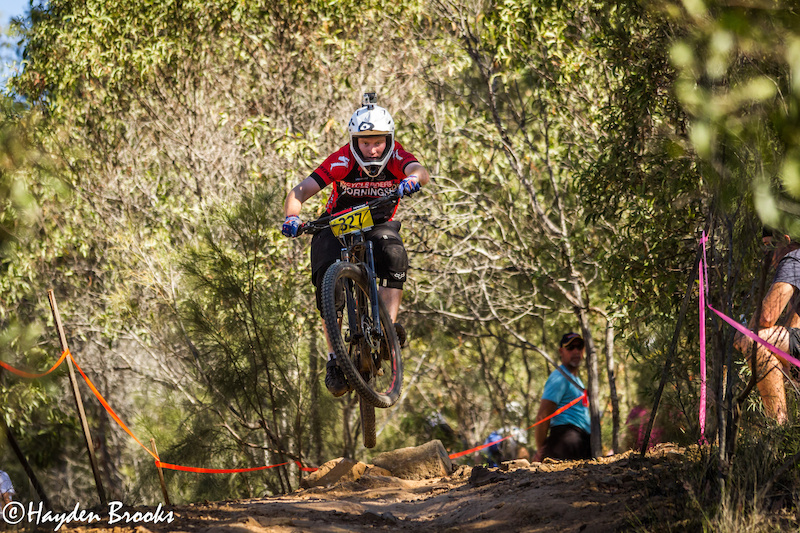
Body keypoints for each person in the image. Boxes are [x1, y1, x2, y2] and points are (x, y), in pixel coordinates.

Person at [281, 93, 430, 397]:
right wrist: (292, 217)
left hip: (378, 222)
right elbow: (300, 190)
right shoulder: (342, 160)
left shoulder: (397, 156)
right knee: (327, 276)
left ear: (388, 140)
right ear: (354, 141)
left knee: (394, 254)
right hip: (337, 222)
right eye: (364, 142)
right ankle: (335, 358)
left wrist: (413, 180)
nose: (372, 149)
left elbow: (420, 171)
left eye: (378, 142)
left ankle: (388, 327)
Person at [734, 229, 800, 424]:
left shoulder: (793, 258)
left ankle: (778, 429)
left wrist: (744, 334)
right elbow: (793, 331)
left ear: (786, 240)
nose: (768, 255)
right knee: (777, 355)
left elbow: (767, 316)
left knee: (752, 341)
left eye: (770, 246)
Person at [532, 332, 592, 461]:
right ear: (561, 351)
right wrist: (540, 450)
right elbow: (543, 416)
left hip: (581, 442)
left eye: (579, 347)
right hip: (565, 442)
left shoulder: (576, 380)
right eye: (570, 348)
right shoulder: (559, 377)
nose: (576, 351)